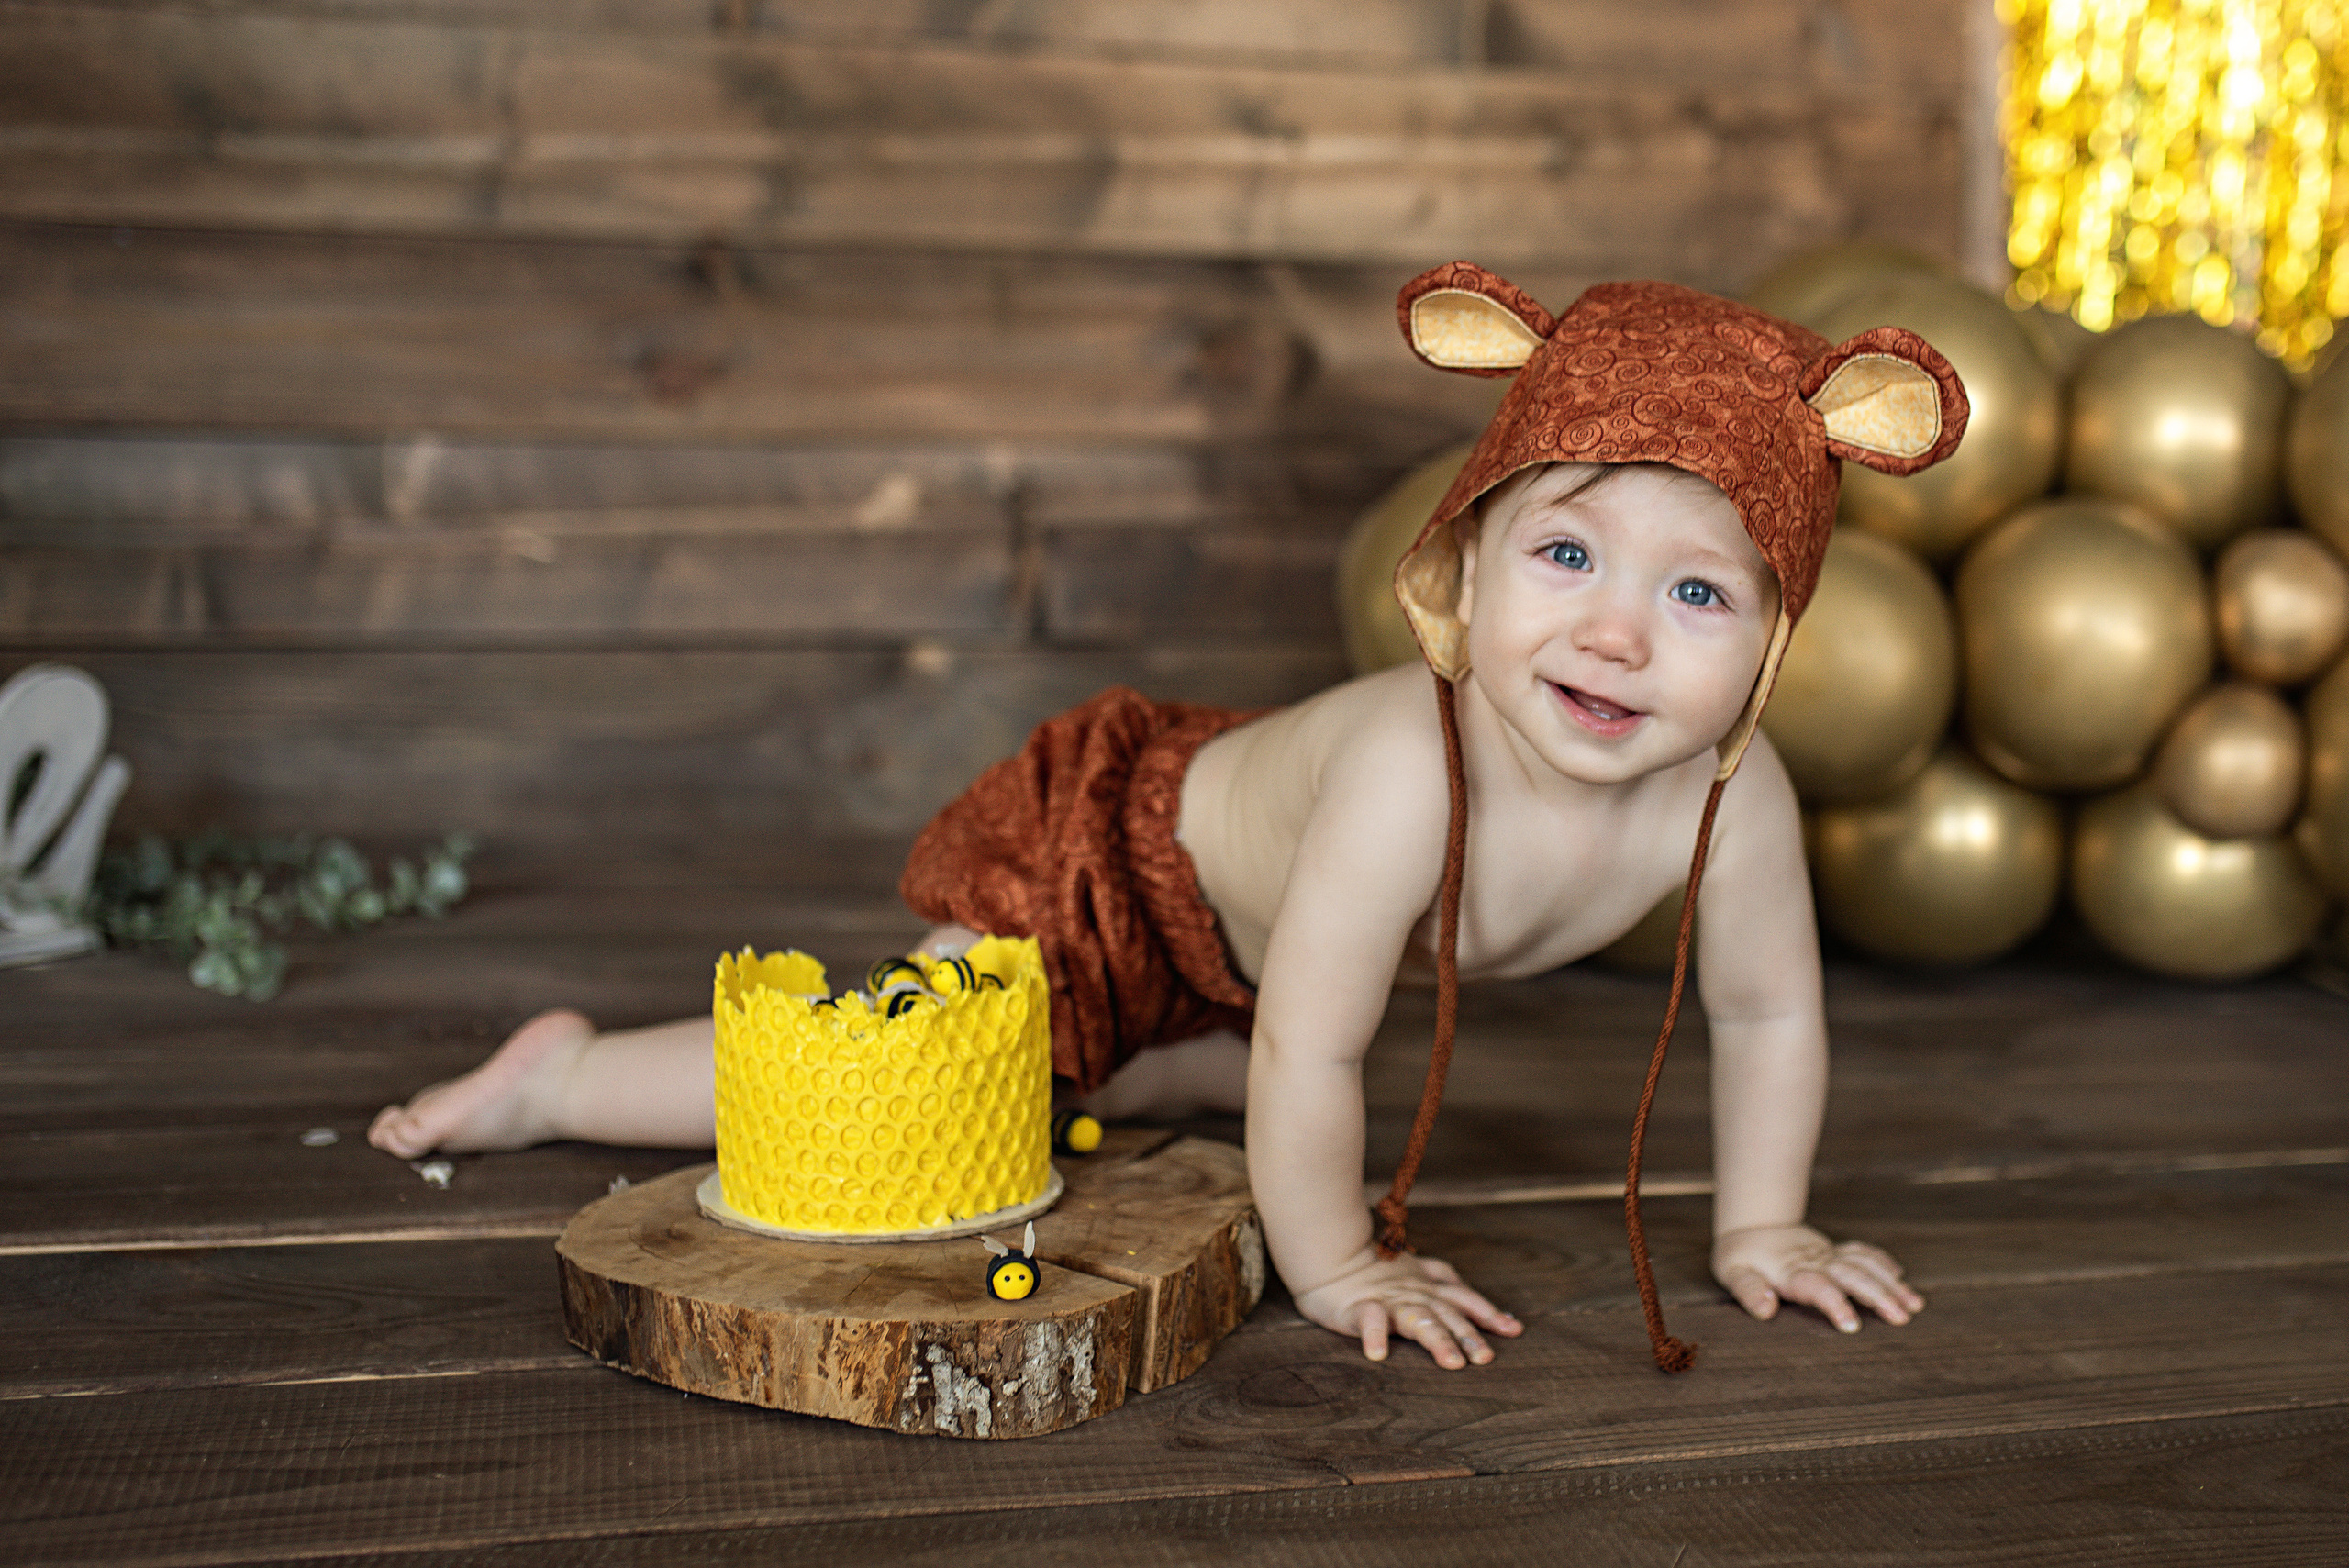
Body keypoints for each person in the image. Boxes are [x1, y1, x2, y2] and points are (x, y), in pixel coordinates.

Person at [373, 264, 1969, 1374]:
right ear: (1463, 570)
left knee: (1153, 1069)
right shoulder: (1416, 772)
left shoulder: (1734, 796)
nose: (1616, 632)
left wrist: (1767, 1223)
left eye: (1695, 589)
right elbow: (1314, 1053)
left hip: (1244, 963)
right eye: (1566, 557)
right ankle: (562, 1072)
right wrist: (1339, 1264)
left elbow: (1765, 1015)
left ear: (1773, 640)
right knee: (909, 1069)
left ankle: (1134, 1049)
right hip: (1126, 868)